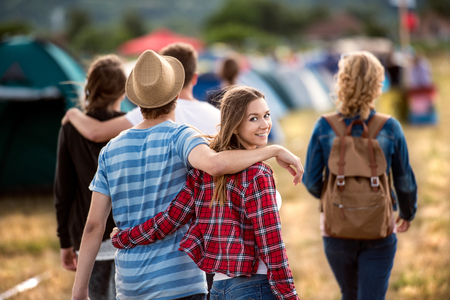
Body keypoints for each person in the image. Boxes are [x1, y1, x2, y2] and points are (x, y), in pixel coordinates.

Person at [71, 50, 303, 300]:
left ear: (136, 100)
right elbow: (215, 165)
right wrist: (274, 150)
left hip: (129, 285)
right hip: (182, 283)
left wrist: (80, 290)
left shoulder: (110, 149)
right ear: (176, 94)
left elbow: (95, 225)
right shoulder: (182, 136)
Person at [303, 51, 417, 300]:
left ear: (341, 81)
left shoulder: (324, 126)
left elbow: (311, 181)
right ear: (378, 84)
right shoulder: (390, 127)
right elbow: (404, 180)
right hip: (380, 227)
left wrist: (335, 198)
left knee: (350, 294)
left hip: (336, 229)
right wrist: (407, 212)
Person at [54, 54, 127, 299]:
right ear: (123, 91)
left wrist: (65, 241)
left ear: (89, 88)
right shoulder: (131, 126)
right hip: (126, 231)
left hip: (85, 234)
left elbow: (63, 190)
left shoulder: (70, 128)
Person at [62, 42, 220, 142]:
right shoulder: (217, 116)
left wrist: (73, 113)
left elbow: (96, 133)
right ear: (195, 78)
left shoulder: (151, 114)